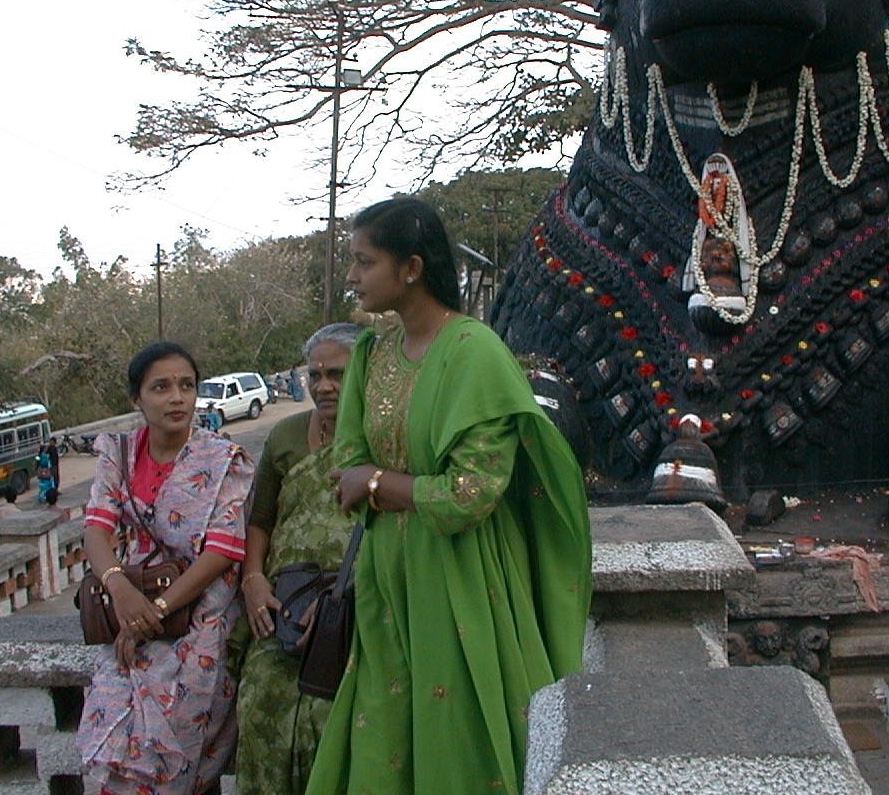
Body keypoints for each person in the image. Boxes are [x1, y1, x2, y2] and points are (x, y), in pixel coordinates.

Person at [304, 197, 592, 795]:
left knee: (462, 731)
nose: (352, 277)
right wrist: (372, 483)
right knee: (387, 733)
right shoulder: (370, 354)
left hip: (463, 576)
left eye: (364, 262)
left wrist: (379, 484)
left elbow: (470, 495)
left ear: (411, 268)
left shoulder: (475, 354)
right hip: (388, 577)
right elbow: (346, 463)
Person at [78, 341, 254, 795]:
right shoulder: (117, 454)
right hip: (130, 601)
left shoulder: (221, 460)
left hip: (198, 608)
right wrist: (120, 590)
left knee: (180, 721)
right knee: (112, 708)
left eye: (186, 386)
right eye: (161, 387)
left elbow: (221, 551)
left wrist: (152, 612)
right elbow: (97, 530)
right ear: (137, 399)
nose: (177, 397)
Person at [232, 322, 364, 795]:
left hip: (356, 607)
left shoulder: (382, 437)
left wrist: (348, 593)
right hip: (282, 605)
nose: (324, 385)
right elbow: (260, 520)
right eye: (315, 375)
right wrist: (252, 579)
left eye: (337, 374)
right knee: (259, 698)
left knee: (337, 717)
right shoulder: (286, 436)